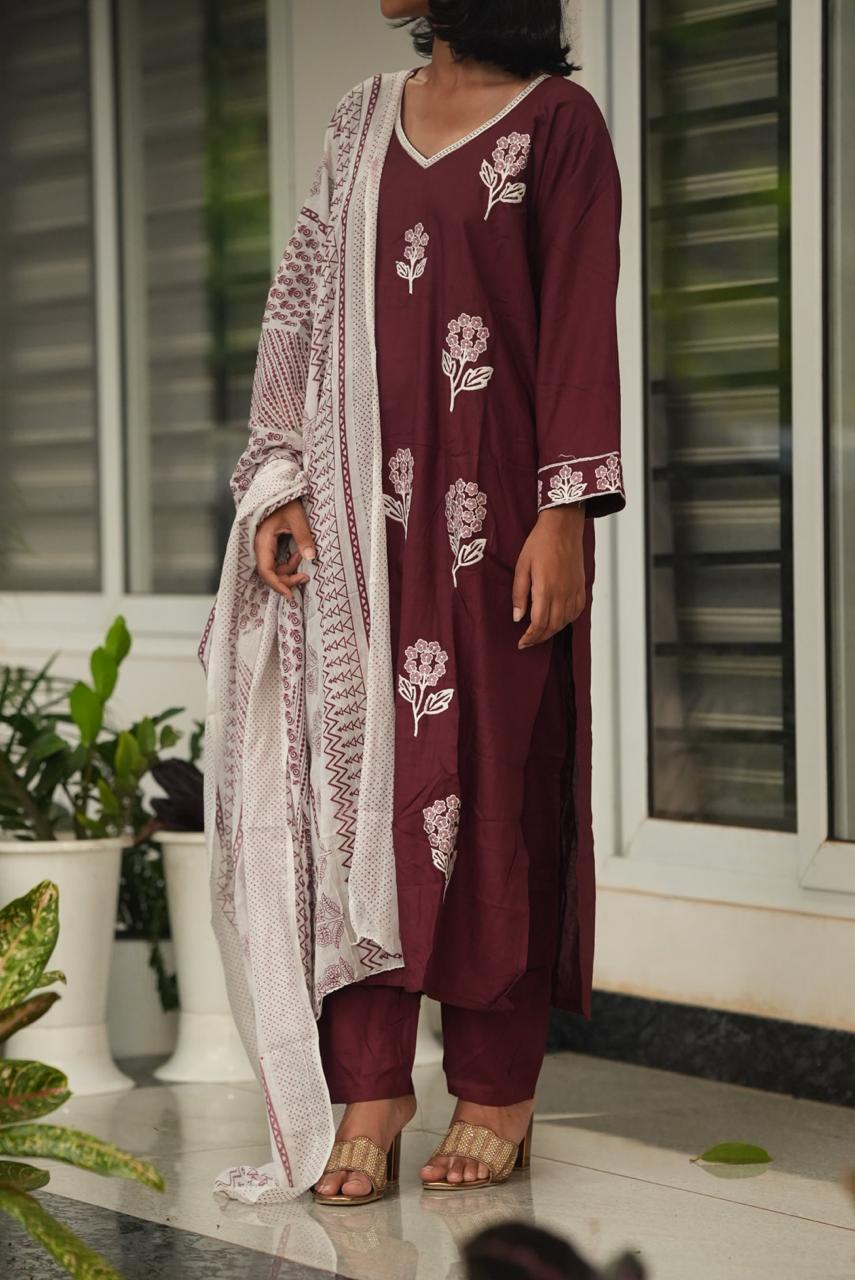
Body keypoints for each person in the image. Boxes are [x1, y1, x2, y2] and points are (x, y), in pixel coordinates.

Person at [198, 0, 624, 1205]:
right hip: (358, 527)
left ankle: (497, 1086)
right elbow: (298, 307)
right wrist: (279, 473)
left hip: (497, 523)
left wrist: (567, 512)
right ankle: (370, 1085)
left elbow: (581, 322)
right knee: (355, 794)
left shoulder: (560, 126)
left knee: (495, 783)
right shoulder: (357, 121)